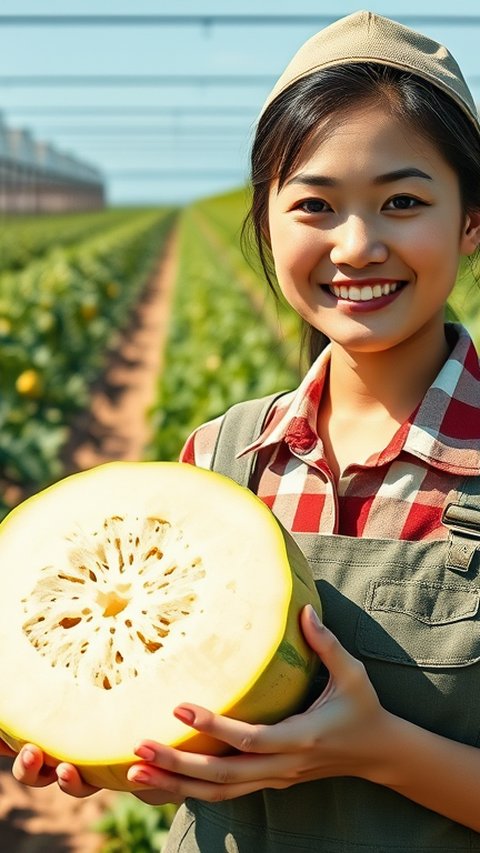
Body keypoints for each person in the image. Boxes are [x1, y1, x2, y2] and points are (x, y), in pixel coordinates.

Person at [4, 9, 480, 850]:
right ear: (267, 221)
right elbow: (189, 723)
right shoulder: (218, 459)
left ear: (471, 220)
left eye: (403, 201)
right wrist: (131, 753)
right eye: (316, 205)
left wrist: (381, 752)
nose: (358, 244)